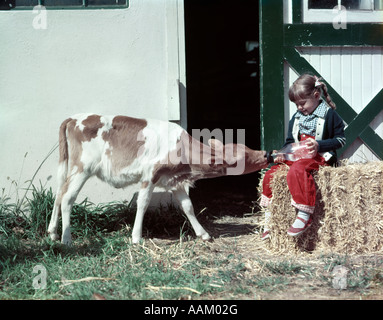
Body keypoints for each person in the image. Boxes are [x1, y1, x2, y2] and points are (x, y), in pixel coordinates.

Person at [260, 73, 346, 240]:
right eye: (296, 104)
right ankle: (270, 218)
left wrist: (319, 145)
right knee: (272, 172)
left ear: (316, 95)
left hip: (320, 157)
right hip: (298, 155)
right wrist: (283, 154)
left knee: (298, 170)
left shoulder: (329, 115)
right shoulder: (297, 118)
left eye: (302, 103)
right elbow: (290, 141)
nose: (299, 107)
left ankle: (304, 214)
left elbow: (341, 140)